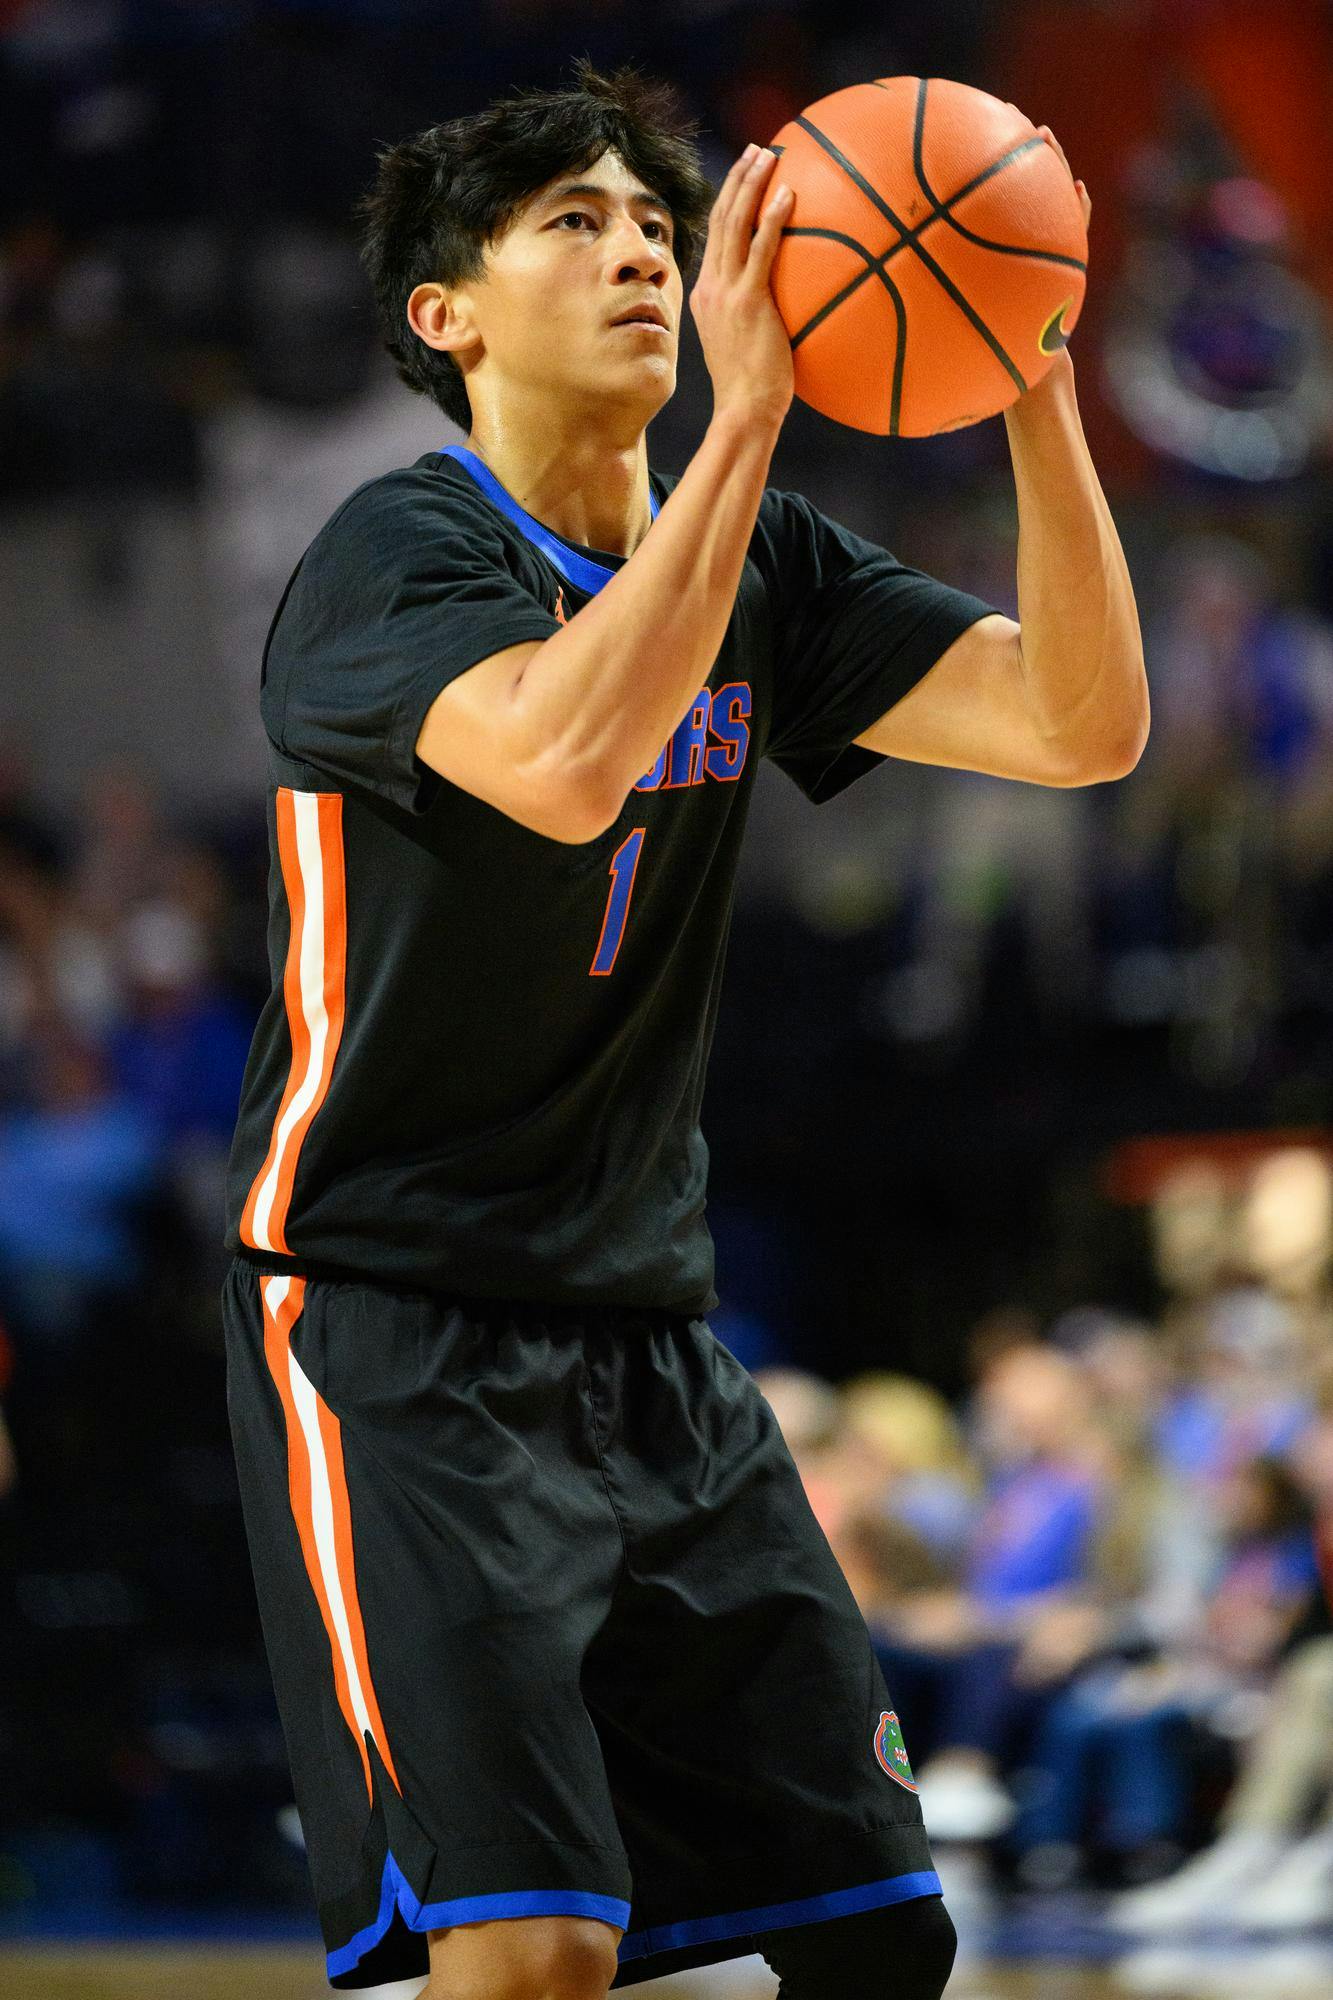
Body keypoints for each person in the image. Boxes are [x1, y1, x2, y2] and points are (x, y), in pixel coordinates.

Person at [219, 62, 1146, 2000]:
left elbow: (1078, 723)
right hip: (394, 1323)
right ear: (442, 314)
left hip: (644, 1328)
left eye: (655, 220)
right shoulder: (395, 560)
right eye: (573, 222)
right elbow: (565, 758)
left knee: (879, 1937)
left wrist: (1029, 380)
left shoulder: (771, 568)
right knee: (536, 1946)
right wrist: (751, 423)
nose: (639, 251)